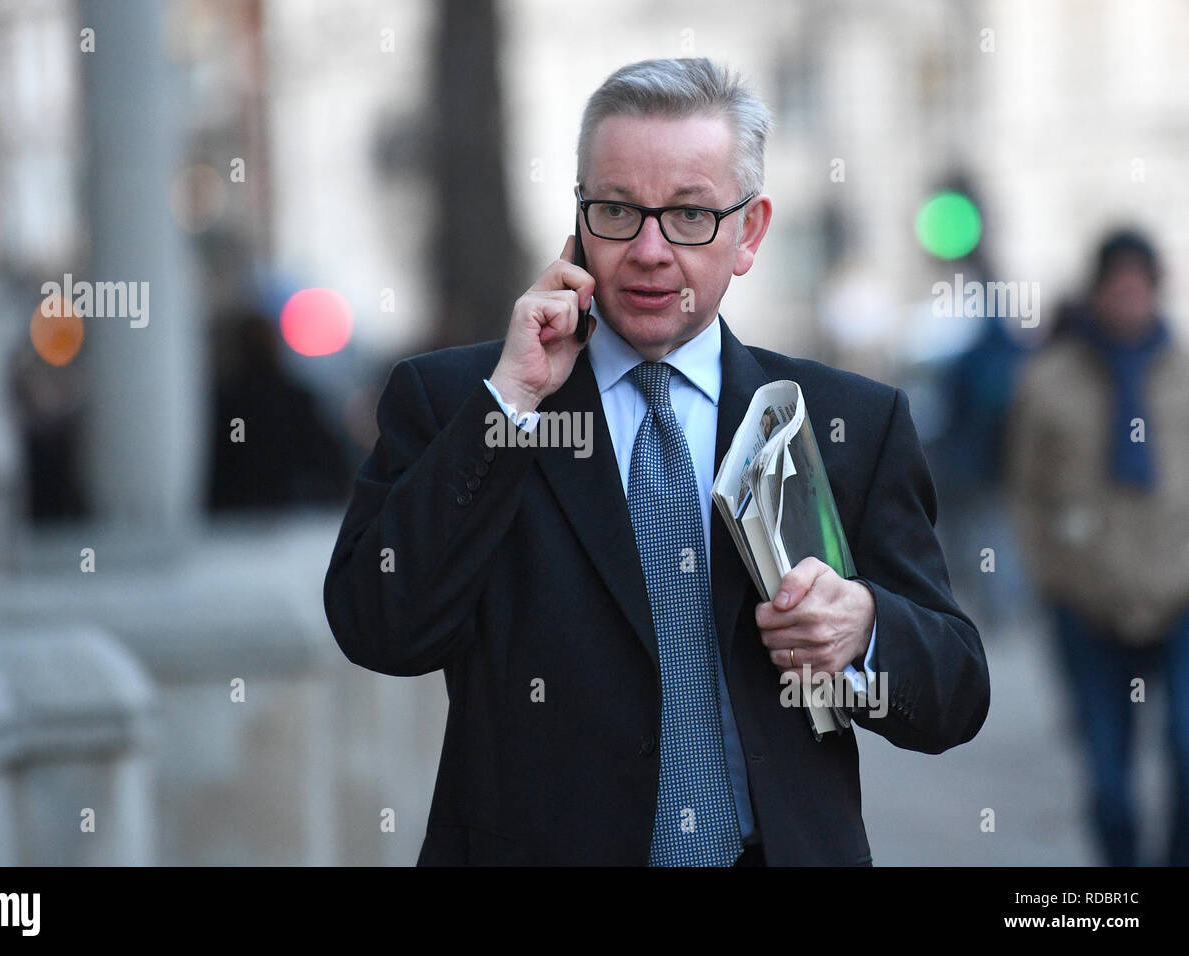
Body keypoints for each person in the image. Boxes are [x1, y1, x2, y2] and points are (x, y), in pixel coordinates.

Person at [325, 58, 989, 866]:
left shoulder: (850, 420)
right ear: (577, 221)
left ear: (749, 232)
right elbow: (379, 627)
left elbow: (955, 694)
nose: (648, 250)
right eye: (617, 210)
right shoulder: (463, 403)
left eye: (689, 215)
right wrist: (508, 407)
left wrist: (864, 628)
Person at [1006, 230, 1189, 866]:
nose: (1130, 301)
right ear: (1098, 291)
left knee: (1186, 754)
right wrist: (1050, 580)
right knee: (1109, 778)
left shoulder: (1181, 373)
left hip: (1177, 595)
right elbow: (1025, 492)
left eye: (1141, 288)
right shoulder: (1050, 379)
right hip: (1087, 602)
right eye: (1119, 288)